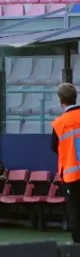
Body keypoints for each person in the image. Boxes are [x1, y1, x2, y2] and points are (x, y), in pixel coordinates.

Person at [50, 82, 80, 241]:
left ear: (60, 100)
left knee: (75, 213)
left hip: (72, 175)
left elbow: (54, 147)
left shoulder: (59, 124)